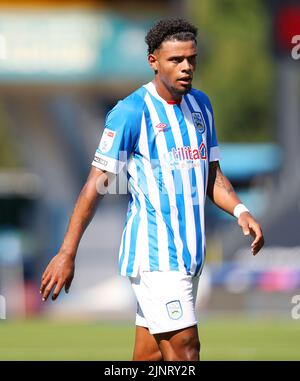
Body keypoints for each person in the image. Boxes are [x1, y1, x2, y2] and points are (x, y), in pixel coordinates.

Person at [40, 18, 264, 361]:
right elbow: (95, 186)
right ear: (154, 61)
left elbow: (212, 177)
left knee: (149, 358)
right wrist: (67, 252)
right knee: (186, 352)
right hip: (156, 258)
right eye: (176, 60)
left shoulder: (201, 106)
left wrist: (240, 210)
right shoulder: (131, 112)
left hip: (190, 257)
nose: (186, 67)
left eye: (191, 59)